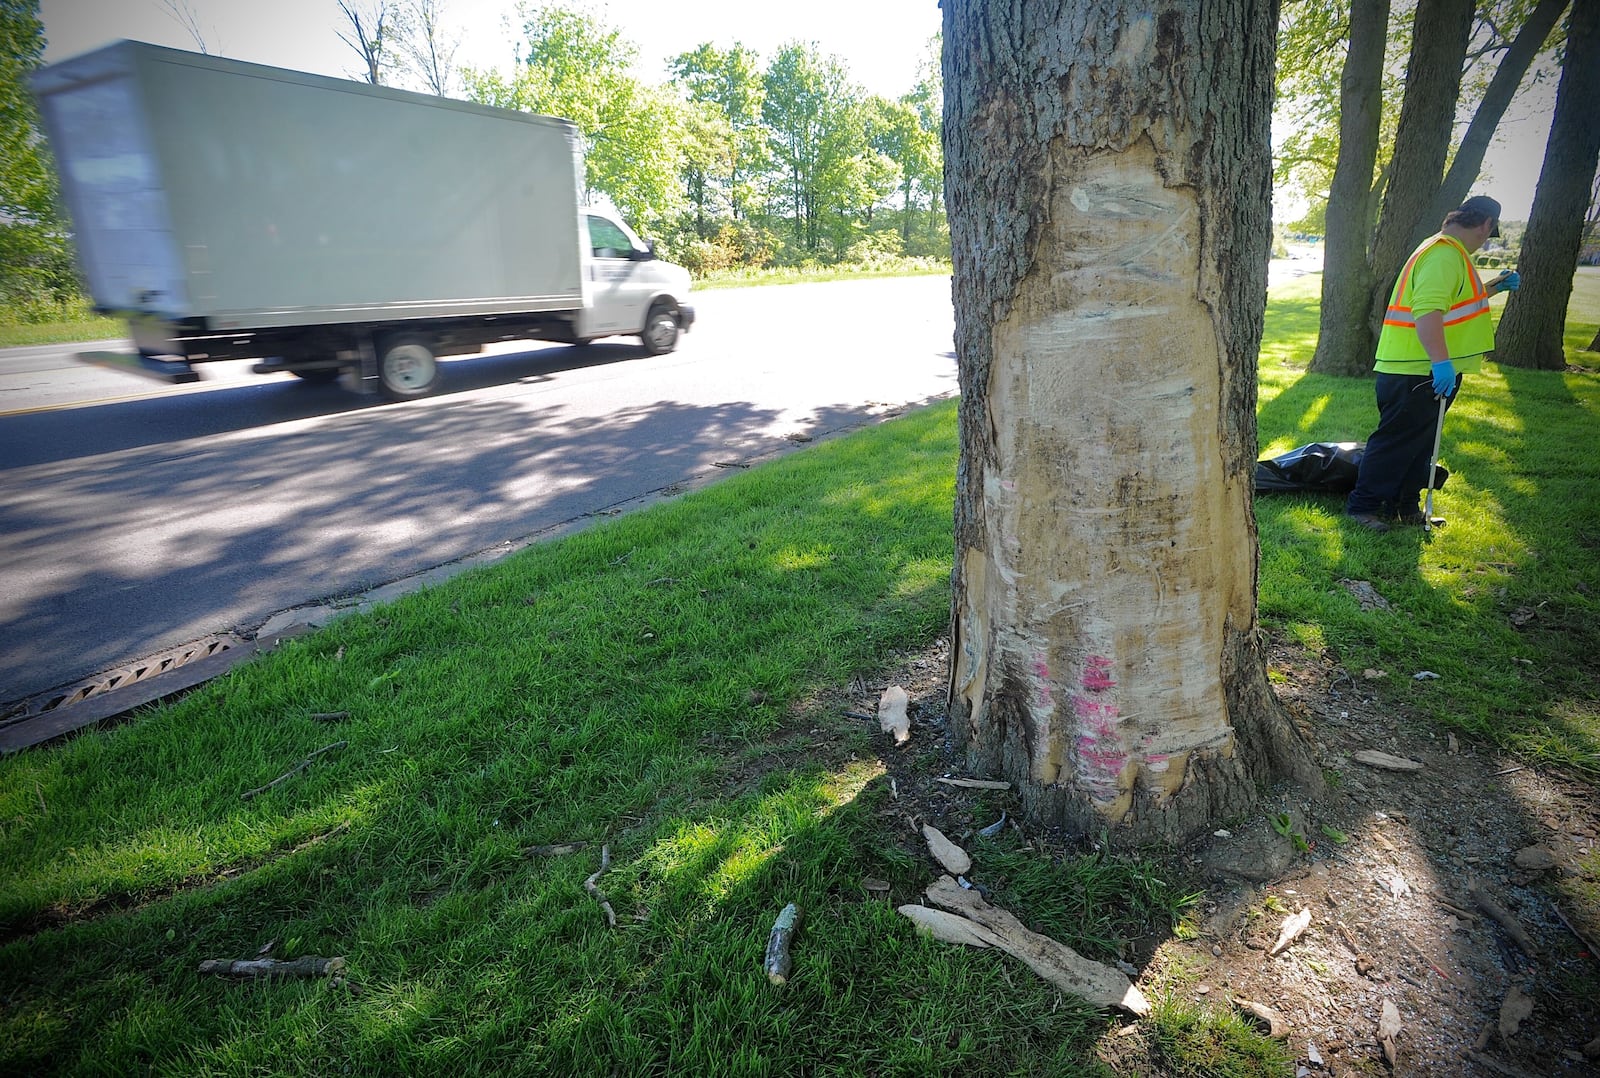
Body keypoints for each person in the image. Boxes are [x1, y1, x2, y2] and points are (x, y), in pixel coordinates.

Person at [1345, 195, 1521, 533]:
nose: (1484, 239)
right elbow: (1426, 312)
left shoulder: (1444, 252)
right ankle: (1363, 507)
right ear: (1485, 225)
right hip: (1418, 369)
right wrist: (1441, 363)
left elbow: (1453, 304)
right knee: (1397, 441)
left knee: (1422, 443)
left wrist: (1494, 288)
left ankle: (1406, 506)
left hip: (1424, 368)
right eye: (1488, 233)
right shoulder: (1444, 255)